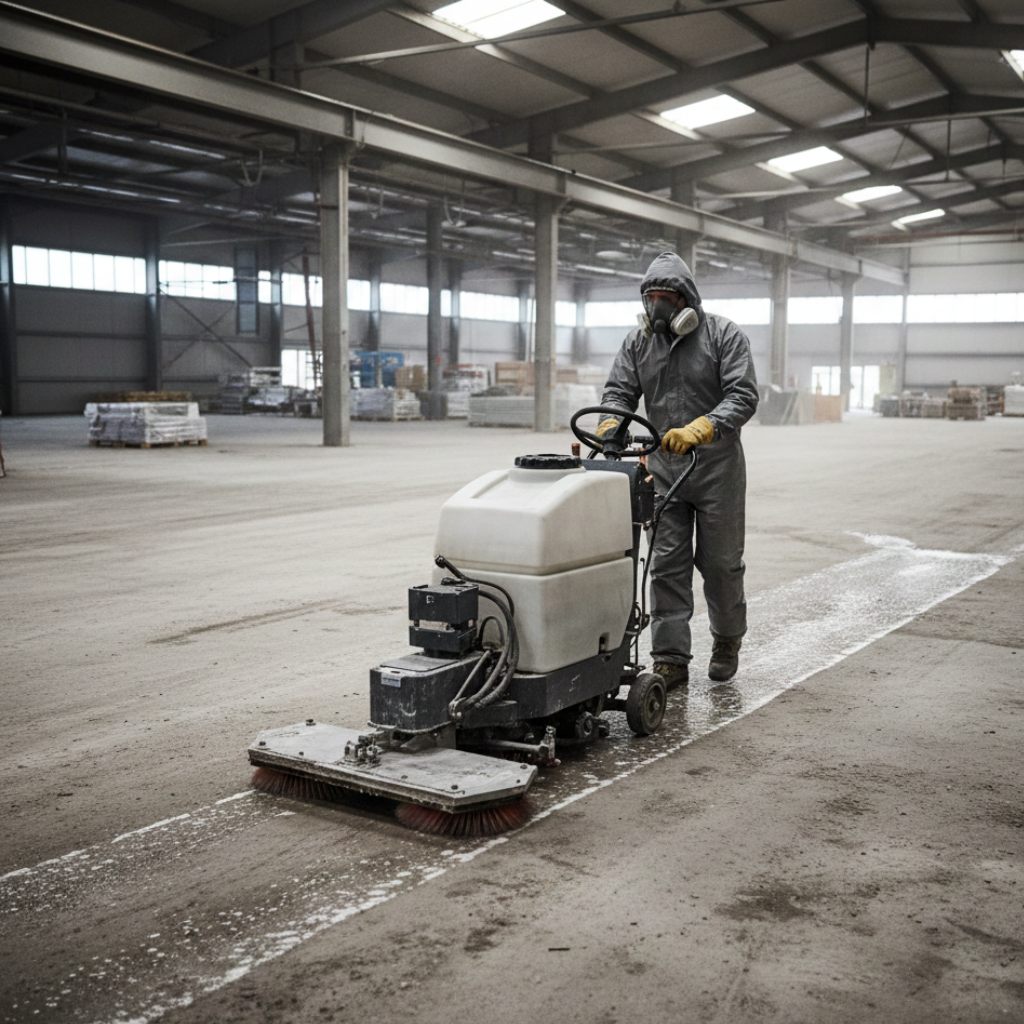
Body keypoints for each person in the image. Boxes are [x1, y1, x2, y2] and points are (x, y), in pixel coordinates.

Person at [597, 251, 759, 689]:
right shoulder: (638, 343)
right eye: (652, 299)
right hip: (664, 471)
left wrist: (703, 426)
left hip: (716, 470)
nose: (659, 308)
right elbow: (618, 391)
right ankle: (670, 657)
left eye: (667, 298)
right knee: (667, 565)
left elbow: (743, 395)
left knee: (722, 565)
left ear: (688, 300)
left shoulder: (724, 335)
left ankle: (727, 640)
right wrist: (611, 422)